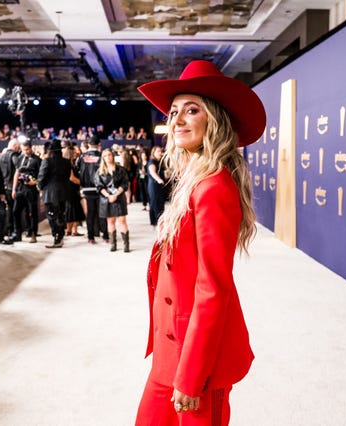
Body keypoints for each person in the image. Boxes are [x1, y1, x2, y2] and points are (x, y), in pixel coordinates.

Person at [135, 60, 266, 425]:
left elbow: (213, 288)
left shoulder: (213, 187)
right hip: (171, 347)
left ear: (216, 121)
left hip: (193, 358)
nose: (176, 119)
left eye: (191, 110)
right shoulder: (194, 177)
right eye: (174, 111)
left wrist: (191, 377)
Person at [37, 139, 71, 248]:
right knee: (60, 215)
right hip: (63, 192)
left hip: (50, 194)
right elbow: (66, 178)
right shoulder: (66, 162)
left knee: (52, 216)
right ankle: (60, 237)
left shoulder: (47, 161)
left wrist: (40, 187)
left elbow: (41, 177)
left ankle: (57, 238)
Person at [95, 148, 130, 252]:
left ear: (112, 156)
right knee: (110, 221)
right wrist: (108, 196)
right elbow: (99, 187)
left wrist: (116, 194)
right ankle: (113, 244)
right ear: (103, 158)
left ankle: (126, 245)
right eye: (105, 156)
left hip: (119, 198)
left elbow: (124, 184)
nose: (107, 157)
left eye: (109, 155)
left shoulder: (120, 169)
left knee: (122, 221)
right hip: (107, 199)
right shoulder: (99, 172)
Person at [11, 140, 41, 243]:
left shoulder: (37, 160)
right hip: (20, 189)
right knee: (15, 211)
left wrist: (35, 182)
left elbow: (41, 176)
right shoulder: (19, 158)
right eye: (23, 149)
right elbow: (16, 173)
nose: (25, 151)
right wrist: (14, 189)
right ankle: (17, 233)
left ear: (31, 148)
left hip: (32, 189)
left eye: (27, 149)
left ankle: (33, 234)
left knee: (32, 212)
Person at [146, 145, 168, 226]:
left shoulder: (160, 162)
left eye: (161, 151)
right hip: (155, 185)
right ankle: (157, 220)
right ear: (153, 152)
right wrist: (159, 180)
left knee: (158, 202)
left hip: (159, 185)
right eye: (158, 151)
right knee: (156, 202)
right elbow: (152, 172)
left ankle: (157, 220)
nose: (160, 153)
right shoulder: (152, 161)